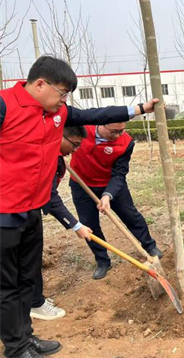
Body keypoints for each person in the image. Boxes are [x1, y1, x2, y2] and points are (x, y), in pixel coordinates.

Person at [0, 55, 157, 358]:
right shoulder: (5, 106)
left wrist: (138, 110)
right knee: (6, 285)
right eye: (61, 92)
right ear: (40, 84)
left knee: (26, 279)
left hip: (32, 211)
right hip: (4, 214)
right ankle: (15, 348)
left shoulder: (57, 113)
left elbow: (94, 114)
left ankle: (26, 337)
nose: (64, 100)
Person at [69, 122, 163, 280]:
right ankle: (102, 261)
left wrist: (108, 194)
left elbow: (119, 173)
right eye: (114, 131)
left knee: (130, 215)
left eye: (121, 131)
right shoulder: (82, 129)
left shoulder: (126, 143)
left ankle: (149, 246)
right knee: (89, 224)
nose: (118, 135)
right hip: (81, 184)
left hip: (110, 183)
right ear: (101, 124)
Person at [31, 126, 92, 322]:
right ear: (59, 135)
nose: (75, 150)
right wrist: (76, 225)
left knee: (30, 257)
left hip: (28, 208)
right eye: (74, 144)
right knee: (28, 258)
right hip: (18, 211)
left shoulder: (53, 154)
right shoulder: (47, 155)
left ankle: (32, 298)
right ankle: (34, 304)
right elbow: (50, 196)